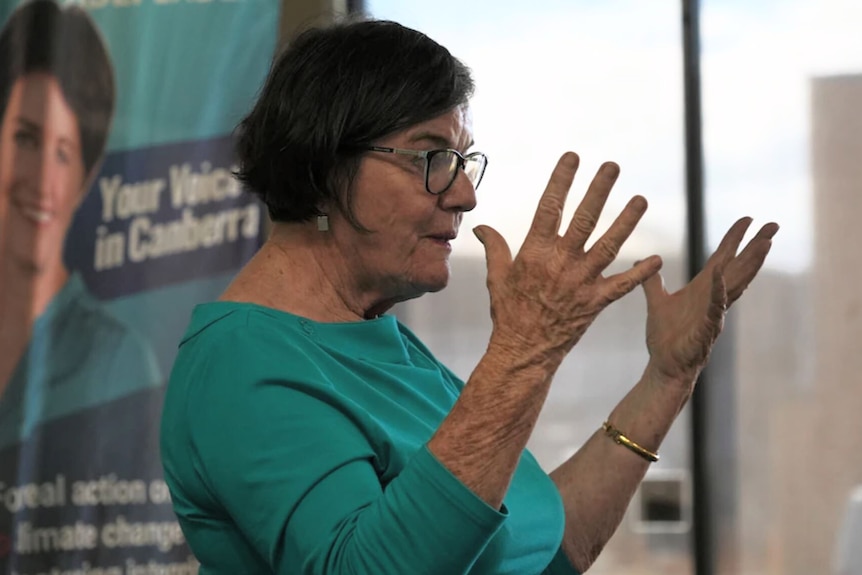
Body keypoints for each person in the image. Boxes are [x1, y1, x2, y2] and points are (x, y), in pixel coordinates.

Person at [160, 18, 778, 575]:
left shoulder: (378, 339)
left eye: (462, 160)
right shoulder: (243, 365)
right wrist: (524, 350)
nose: (463, 195)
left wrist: (667, 378)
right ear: (322, 167)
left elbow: (545, 552)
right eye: (431, 158)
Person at [0, 0, 161, 449]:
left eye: (64, 152)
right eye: (26, 139)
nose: (42, 181)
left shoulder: (119, 363)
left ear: (86, 179)